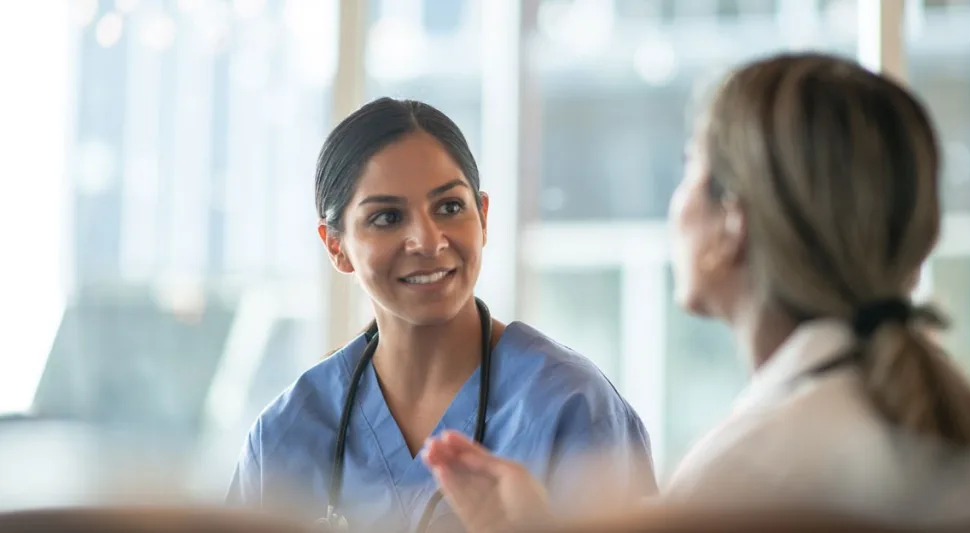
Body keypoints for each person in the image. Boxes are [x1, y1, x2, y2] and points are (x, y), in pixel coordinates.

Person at [421, 53, 970, 532]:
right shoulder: (915, 418)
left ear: (732, 224)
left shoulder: (756, 469)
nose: (676, 202)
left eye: (690, 169)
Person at [226, 98, 656, 532]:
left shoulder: (571, 407)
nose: (428, 242)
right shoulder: (285, 436)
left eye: (449, 207)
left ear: (483, 216)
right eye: (387, 217)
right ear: (336, 247)